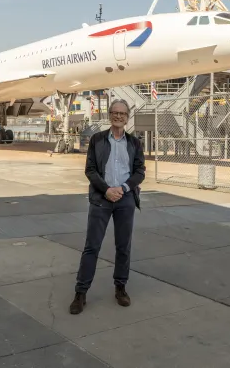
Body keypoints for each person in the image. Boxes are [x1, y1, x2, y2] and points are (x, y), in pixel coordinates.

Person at [70, 99, 145, 315]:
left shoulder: (134, 143)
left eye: (122, 113)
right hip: (102, 199)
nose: (118, 116)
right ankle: (80, 292)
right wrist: (106, 190)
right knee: (92, 246)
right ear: (110, 115)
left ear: (127, 117)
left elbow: (140, 172)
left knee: (123, 247)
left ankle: (120, 287)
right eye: (115, 112)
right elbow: (91, 170)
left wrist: (122, 188)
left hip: (125, 199)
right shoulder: (97, 139)